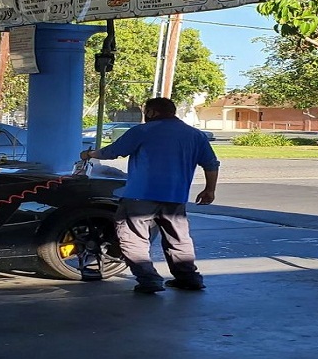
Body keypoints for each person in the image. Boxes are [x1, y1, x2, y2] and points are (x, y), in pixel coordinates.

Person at [80, 97, 219, 294]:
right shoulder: (195, 135)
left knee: (133, 238)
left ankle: (149, 280)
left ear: (152, 112)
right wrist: (209, 190)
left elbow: (113, 152)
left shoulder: (142, 131)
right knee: (178, 239)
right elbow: (211, 164)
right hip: (176, 196)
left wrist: (90, 155)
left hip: (140, 195)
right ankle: (189, 278)